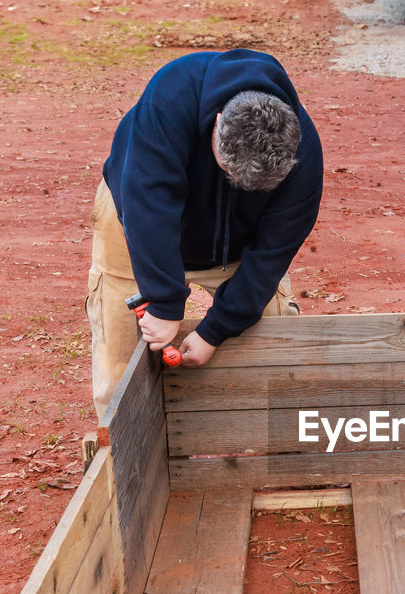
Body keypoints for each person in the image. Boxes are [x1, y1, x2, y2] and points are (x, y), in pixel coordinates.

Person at [86, 49, 323, 418]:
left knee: (274, 330)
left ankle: (279, 449)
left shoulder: (303, 157)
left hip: (237, 243)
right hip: (134, 222)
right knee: (119, 359)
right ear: (217, 122)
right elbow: (148, 205)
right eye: (229, 172)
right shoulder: (169, 97)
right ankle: (119, 462)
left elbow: (273, 251)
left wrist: (217, 329)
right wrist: (163, 303)